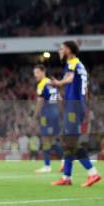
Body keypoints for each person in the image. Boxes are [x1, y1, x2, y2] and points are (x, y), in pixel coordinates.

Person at [50, 41, 100, 187]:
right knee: (67, 141)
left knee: (71, 142)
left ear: (69, 50)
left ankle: (93, 173)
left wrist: (59, 83)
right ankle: (67, 177)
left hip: (74, 107)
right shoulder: (78, 65)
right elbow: (82, 88)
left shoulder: (72, 62)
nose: (60, 50)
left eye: (62, 48)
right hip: (77, 106)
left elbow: (70, 79)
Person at [32, 64, 63, 173]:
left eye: (36, 73)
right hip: (54, 113)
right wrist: (60, 112)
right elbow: (59, 98)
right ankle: (64, 159)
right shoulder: (51, 82)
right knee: (52, 140)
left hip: (46, 114)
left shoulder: (42, 84)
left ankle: (47, 165)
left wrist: (35, 116)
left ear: (42, 71)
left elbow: (40, 101)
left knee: (45, 139)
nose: (35, 75)